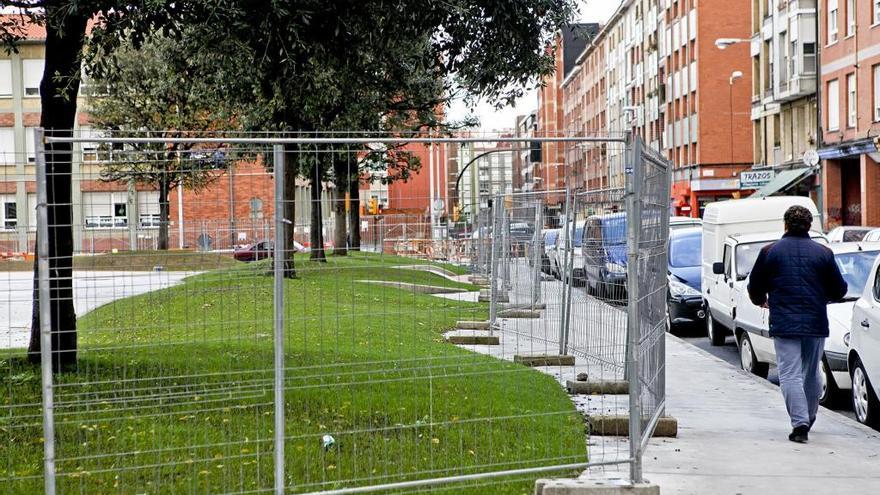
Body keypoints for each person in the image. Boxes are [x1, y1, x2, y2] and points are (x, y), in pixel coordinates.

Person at [747, 205, 847, 444]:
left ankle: (799, 423)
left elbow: (755, 286)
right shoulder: (823, 253)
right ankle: (808, 418)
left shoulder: (770, 252)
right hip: (815, 321)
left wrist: (762, 301)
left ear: (785, 225)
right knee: (812, 372)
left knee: (789, 372)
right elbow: (839, 289)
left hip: (784, 322)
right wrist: (823, 296)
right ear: (810, 226)